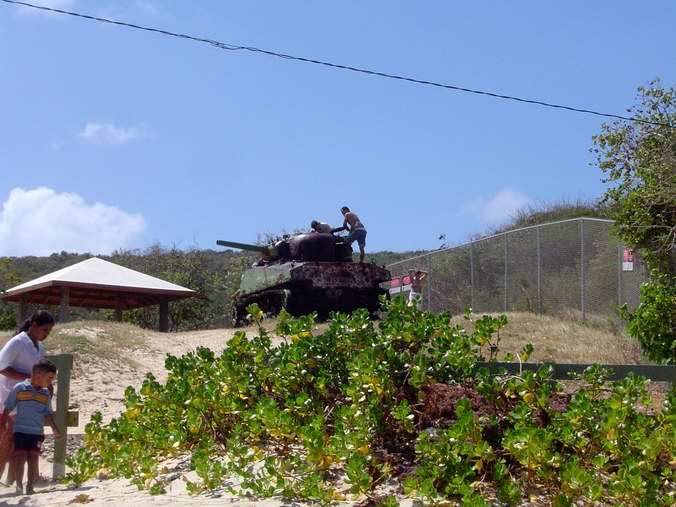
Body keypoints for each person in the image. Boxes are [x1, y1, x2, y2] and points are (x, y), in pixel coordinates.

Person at [0, 310, 55, 485]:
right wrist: (27, 378)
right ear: (34, 326)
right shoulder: (17, 342)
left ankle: (10, 480)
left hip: (26, 398)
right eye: (45, 330)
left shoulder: (39, 346)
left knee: (16, 436)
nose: (46, 334)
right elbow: (2, 367)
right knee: (12, 435)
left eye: (49, 331)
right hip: (8, 393)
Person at [2, 359, 61, 496]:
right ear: (39, 376)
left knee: (34, 457)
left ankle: (30, 486)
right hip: (20, 430)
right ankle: (18, 486)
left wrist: (55, 428)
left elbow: (47, 413)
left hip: (37, 431)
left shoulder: (45, 393)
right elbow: (8, 407)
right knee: (20, 456)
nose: (51, 382)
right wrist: (2, 423)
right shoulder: (19, 388)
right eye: (50, 378)